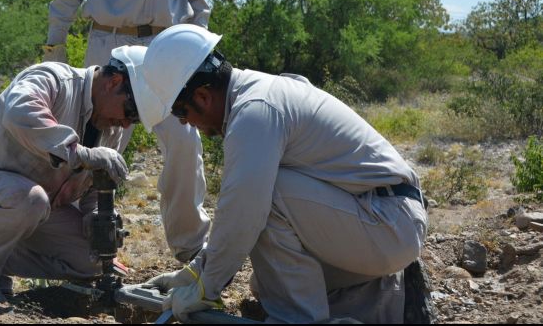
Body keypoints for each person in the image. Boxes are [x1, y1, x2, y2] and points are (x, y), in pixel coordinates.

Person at [126, 25, 429, 323]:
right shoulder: (256, 95)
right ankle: (392, 300)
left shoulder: (254, 111)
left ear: (203, 97)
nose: (184, 124)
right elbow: (239, 217)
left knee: (265, 200)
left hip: (388, 224)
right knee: (268, 284)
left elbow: (243, 210)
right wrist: (196, 272)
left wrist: (207, 286)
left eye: (181, 112)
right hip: (383, 222)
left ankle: (297, 319)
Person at [42, 0, 210, 263]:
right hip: (109, 46)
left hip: (166, 49)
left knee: (185, 141)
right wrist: (54, 46)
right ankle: (85, 247)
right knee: (97, 148)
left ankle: (193, 250)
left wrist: (199, 43)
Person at [0, 49, 145, 301]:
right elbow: (18, 113)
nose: (127, 124)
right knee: (27, 199)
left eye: (134, 119)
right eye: (131, 111)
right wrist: (80, 153)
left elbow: (93, 186)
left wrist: (96, 216)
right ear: (114, 82)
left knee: (93, 259)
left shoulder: (111, 128)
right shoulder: (54, 78)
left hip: (40, 206)